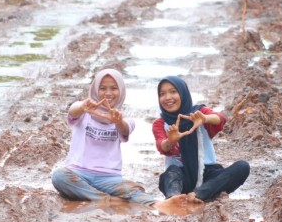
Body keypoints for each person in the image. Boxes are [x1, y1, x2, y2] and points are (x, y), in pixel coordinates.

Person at [52, 68, 189, 212]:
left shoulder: (125, 119)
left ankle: (157, 204)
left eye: (114, 88)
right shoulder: (84, 113)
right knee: (59, 176)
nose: (108, 93)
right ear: (95, 90)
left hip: (109, 178)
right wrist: (83, 106)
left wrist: (117, 122)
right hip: (78, 173)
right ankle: (109, 200)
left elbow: (124, 129)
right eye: (103, 88)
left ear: (121, 91)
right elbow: (73, 110)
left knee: (133, 189)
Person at [152, 75, 250, 202]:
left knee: (242, 167)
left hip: (208, 174)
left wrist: (205, 119)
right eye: (162, 94)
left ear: (183, 93)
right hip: (181, 176)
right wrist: (171, 140)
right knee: (169, 175)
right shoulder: (161, 123)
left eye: (173, 92)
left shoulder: (198, 113)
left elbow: (221, 118)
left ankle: (199, 194)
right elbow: (162, 146)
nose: (167, 97)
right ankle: (174, 198)